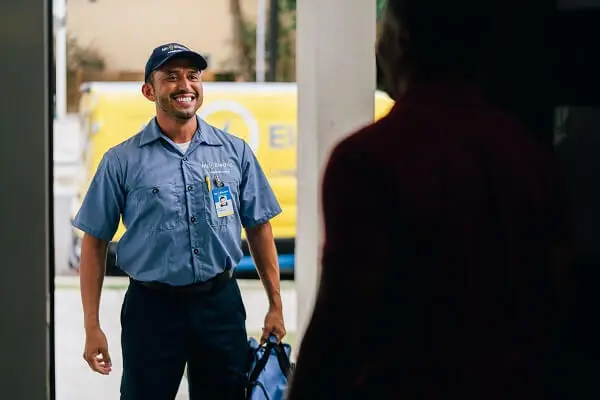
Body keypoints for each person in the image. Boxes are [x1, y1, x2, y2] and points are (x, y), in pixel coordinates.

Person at [286, 1, 571, 399]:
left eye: (381, 31)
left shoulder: (368, 159)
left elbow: (342, 323)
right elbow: (559, 299)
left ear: (402, 41)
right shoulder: (533, 156)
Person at [74, 42, 286, 400]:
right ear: (149, 90)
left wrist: (275, 306)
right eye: (171, 77)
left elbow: (259, 228)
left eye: (193, 76)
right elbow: (94, 242)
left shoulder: (235, 152)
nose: (184, 85)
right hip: (151, 310)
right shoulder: (121, 161)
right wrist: (91, 325)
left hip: (219, 305)